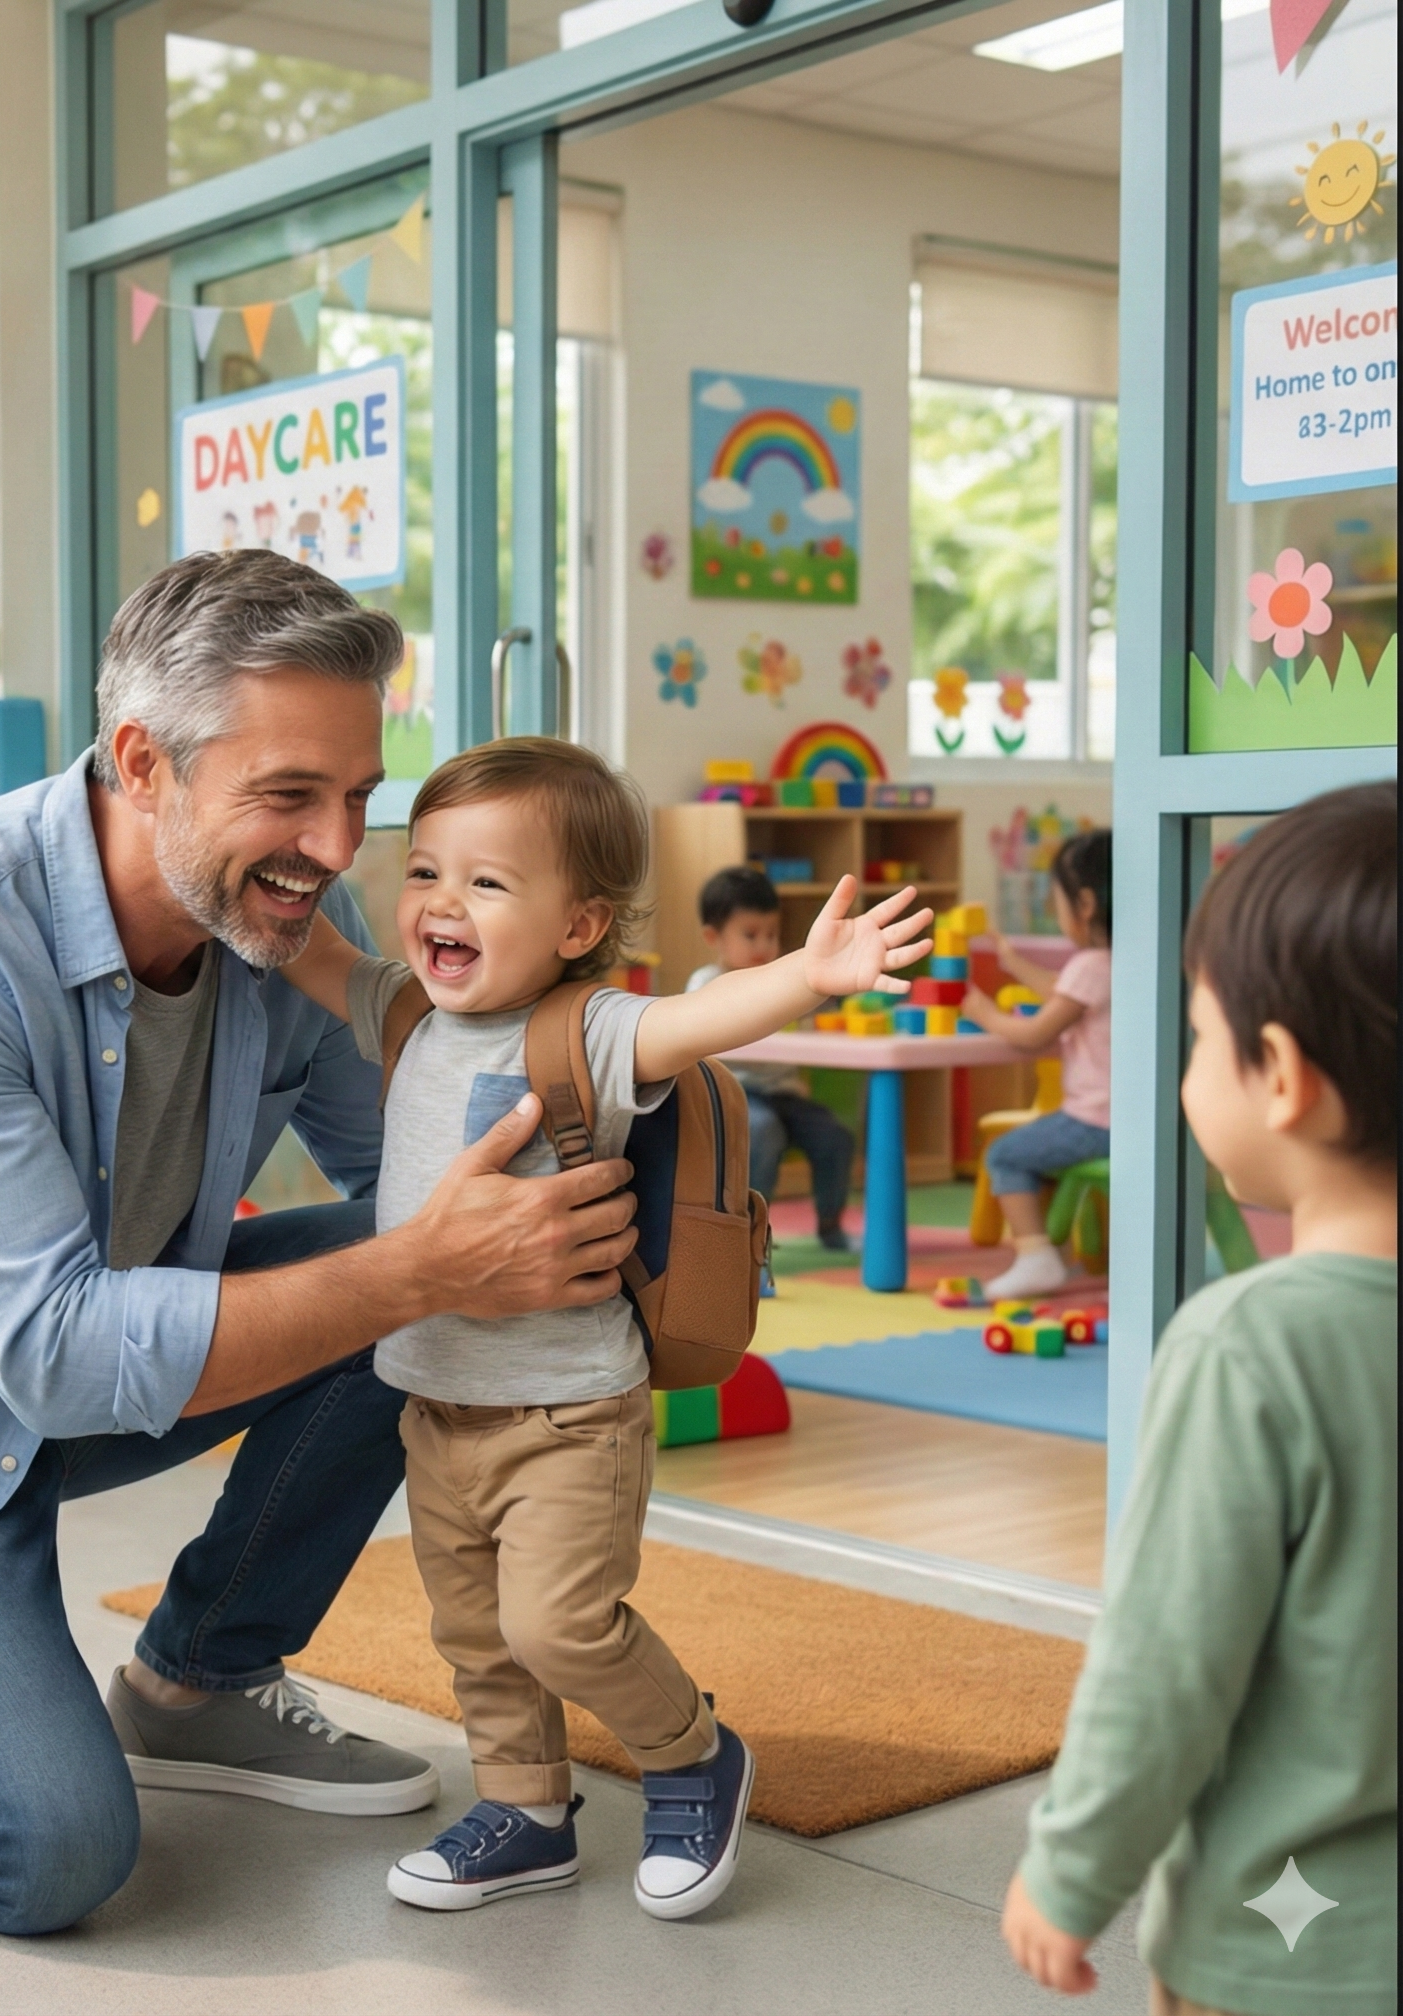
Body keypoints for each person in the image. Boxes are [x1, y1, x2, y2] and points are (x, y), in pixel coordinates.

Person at [0, 550, 644, 1936]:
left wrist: (638, 1156)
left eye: (359, 798)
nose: (336, 847)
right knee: (45, 1853)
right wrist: (424, 1269)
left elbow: (422, 1169)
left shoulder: (288, 917)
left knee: (422, 1266)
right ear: (143, 764)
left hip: (67, 1367)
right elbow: (56, 1353)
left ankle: (196, 1682)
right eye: (289, 795)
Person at [280, 739, 930, 1917]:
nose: (441, 903)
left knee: (560, 1626)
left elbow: (702, 1018)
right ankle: (527, 1814)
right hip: (436, 1407)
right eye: (425, 871)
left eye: (487, 882)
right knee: (477, 1636)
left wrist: (809, 974)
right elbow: (314, 949)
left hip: (568, 1413)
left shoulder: (587, 1030)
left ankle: (693, 1754)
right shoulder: (406, 1012)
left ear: (578, 924)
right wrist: (240, 868)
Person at [1002, 782, 1395, 2016]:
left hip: (1288, 1948)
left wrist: (1072, 1868)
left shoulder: (1252, 1347)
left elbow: (1168, 1659)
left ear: (1282, 1077)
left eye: (1198, 1034)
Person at [962, 829, 1112, 1300]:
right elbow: (1063, 991)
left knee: (1005, 1154)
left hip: (1095, 1122)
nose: (1054, 910)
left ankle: (1035, 1257)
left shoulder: (1091, 966)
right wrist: (1012, 961)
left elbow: (1034, 1037)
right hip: (1132, 1121)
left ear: (1084, 904)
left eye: (1056, 900)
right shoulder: (1129, 964)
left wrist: (984, 1013)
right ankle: (1047, 1249)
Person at [685, 864, 858, 1252]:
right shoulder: (706, 983)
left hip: (785, 1095)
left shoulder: (785, 980)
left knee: (835, 1137)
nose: (763, 945)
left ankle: (831, 1225)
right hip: (733, 1096)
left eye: (772, 933)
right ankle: (750, 1236)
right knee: (762, 1131)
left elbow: (818, 1016)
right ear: (714, 937)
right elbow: (702, 1034)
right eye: (750, 935)